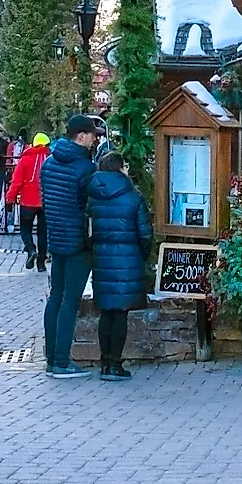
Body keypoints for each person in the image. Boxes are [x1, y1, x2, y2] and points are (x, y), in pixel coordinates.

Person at [37, 113, 102, 380]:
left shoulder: (49, 163)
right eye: (92, 135)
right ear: (82, 136)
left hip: (56, 238)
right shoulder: (84, 168)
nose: (95, 140)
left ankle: (52, 358)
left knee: (55, 296)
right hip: (77, 241)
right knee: (70, 301)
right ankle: (63, 361)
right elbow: (90, 205)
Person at [85, 149, 153, 383]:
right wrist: (141, 256)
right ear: (118, 167)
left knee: (106, 312)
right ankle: (115, 363)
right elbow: (145, 234)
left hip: (102, 259)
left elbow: (87, 228)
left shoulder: (92, 194)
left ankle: (105, 361)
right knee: (121, 313)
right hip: (127, 258)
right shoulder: (133, 196)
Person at [9, 131, 50, 268]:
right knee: (43, 232)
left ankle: (31, 249)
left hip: (27, 201)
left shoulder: (25, 159)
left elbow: (16, 182)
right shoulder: (50, 159)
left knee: (25, 229)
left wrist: (10, 199)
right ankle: (41, 262)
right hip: (45, 202)